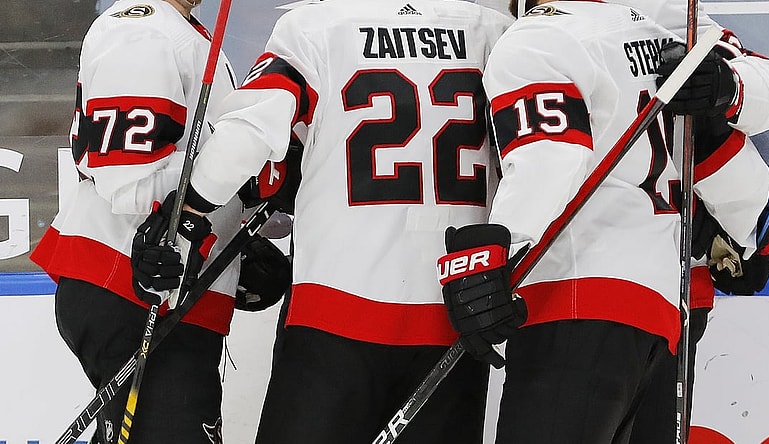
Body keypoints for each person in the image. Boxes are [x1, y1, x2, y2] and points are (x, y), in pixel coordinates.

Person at [131, 0, 514, 443]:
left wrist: (189, 213)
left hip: (334, 314)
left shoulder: (315, 25)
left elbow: (247, 134)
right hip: (456, 313)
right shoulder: (496, 31)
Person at [436, 0, 769, 442]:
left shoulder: (541, 38)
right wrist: (748, 230)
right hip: (662, 313)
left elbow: (550, 157)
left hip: (576, 296)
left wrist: (494, 260)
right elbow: (725, 151)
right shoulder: (657, 33)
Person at [31, 0, 290, 442]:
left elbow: (188, 160)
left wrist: (233, 246)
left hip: (165, 287)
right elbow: (128, 180)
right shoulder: (145, 31)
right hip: (133, 287)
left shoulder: (180, 30)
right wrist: (232, 186)